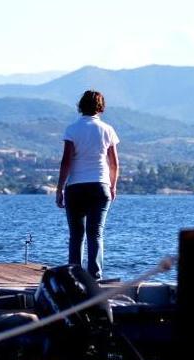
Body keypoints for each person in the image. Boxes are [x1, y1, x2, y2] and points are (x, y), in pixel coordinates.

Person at [55, 90, 120, 280]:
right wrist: (113, 186)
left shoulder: (72, 129)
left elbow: (66, 162)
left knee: (77, 235)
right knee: (95, 234)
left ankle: (73, 277)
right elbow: (114, 163)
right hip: (100, 186)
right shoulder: (108, 130)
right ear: (100, 107)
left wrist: (59, 189)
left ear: (81, 105)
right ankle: (95, 277)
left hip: (75, 187)